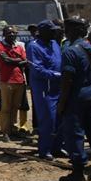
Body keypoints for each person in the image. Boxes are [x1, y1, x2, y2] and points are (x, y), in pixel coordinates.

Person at [58, 17, 91, 181]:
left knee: (74, 132)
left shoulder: (70, 51)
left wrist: (62, 103)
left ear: (75, 31)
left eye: (68, 29)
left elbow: (67, 79)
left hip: (76, 96)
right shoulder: (90, 49)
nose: (66, 32)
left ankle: (78, 172)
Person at [29, 20, 65, 159]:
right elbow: (37, 69)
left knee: (60, 119)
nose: (55, 32)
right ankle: (45, 150)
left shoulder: (55, 43)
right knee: (48, 120)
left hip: (58, 87)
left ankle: (57, 147)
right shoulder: (33, 46)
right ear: (42, 31)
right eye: (51, 30)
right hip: (45, 89)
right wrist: (57, 75)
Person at [0, 25, 28, 140]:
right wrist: (18, 61)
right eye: (9, 33)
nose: (12, 35)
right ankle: (5, 132)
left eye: (14, 33)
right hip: (6, 81)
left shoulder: (19, 46)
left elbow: (24, 61)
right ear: (4, 35)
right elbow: (6, 60)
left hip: (19, 80)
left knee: (15, 107)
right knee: (6, 108)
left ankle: (13, 129)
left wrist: (16, 61)